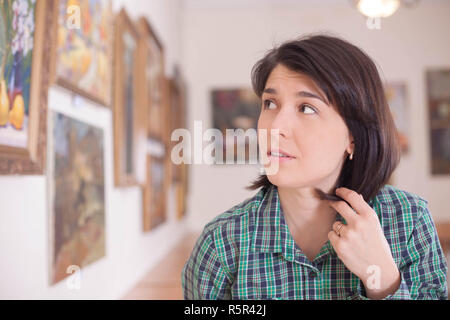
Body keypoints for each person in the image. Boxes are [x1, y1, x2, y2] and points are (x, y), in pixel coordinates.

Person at [181, 33, 448, 299]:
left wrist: (381, 278)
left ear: (353, 137)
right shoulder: (221, 242)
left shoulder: (409, 221)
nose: (275, 127)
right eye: (270, 103)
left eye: (306, 108)